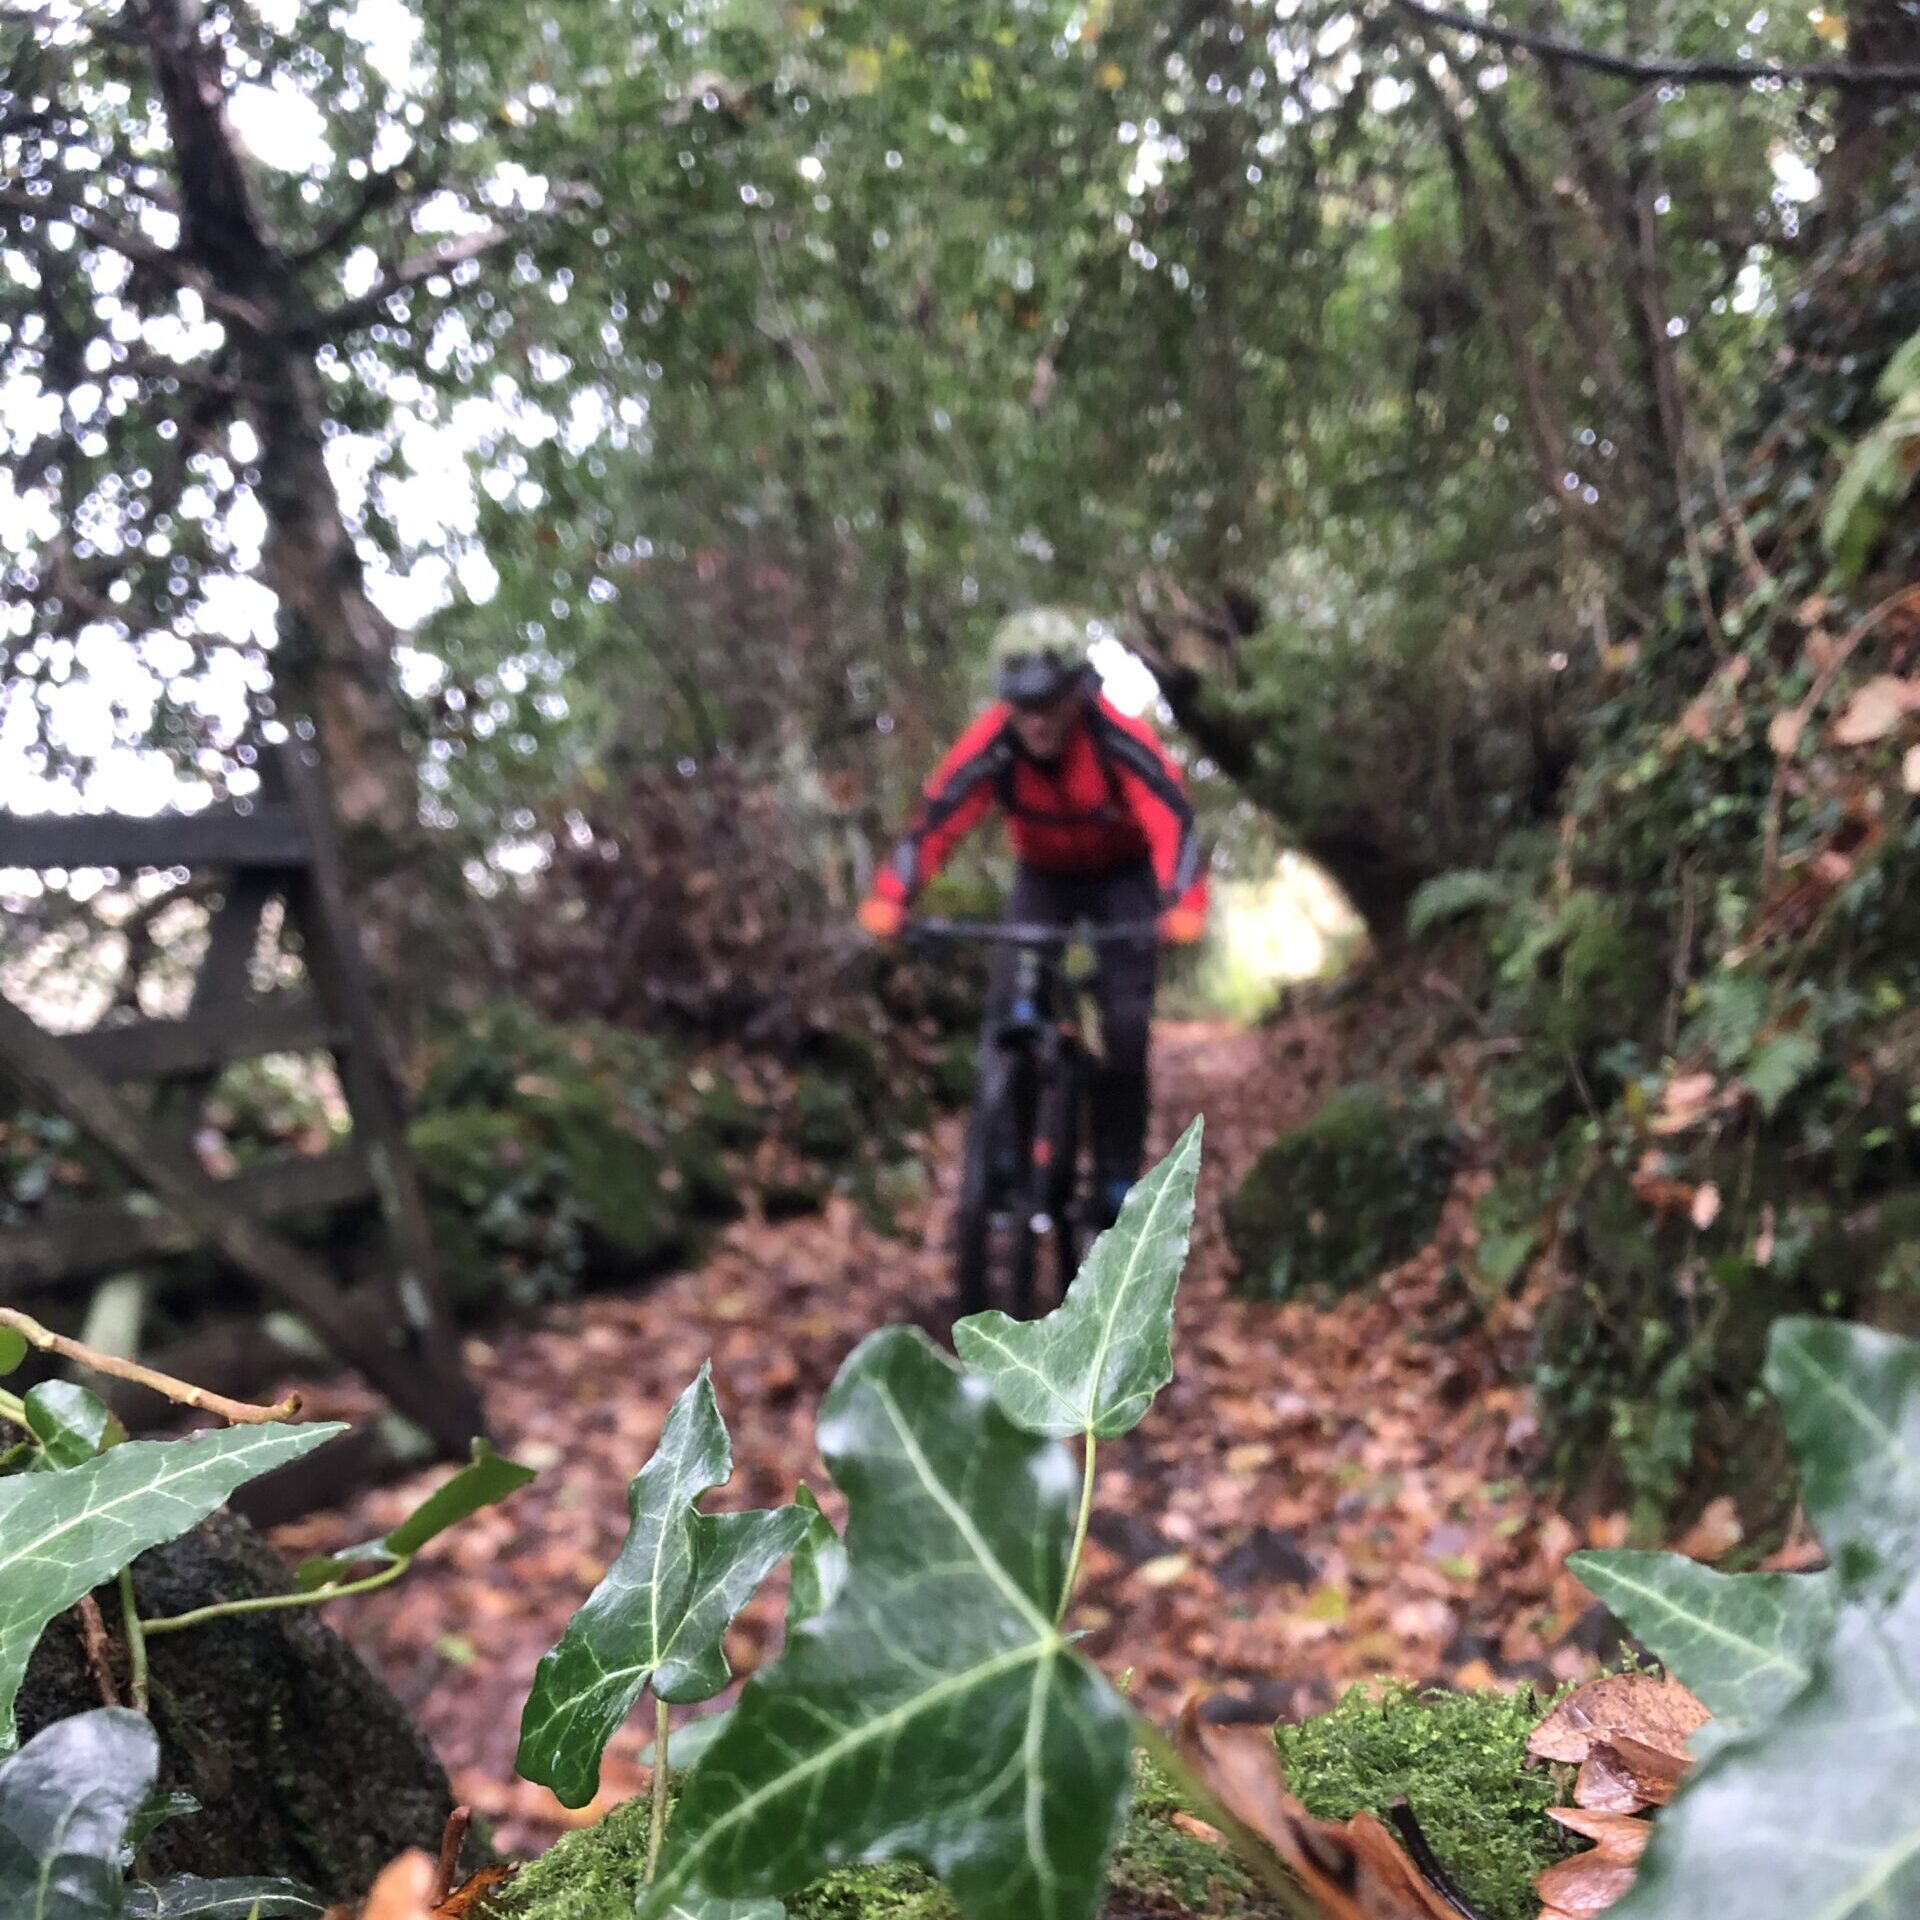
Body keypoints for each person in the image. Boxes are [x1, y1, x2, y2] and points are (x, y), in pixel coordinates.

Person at [857, 607, 1207, 1226]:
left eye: (1048, 703)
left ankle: (1116, 1174)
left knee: (1125, 1029)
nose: (1036, 720)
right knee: (1008, 1013)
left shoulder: (1116, 736)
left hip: (1122, 878)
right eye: (1022, 705)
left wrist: (1183, 904)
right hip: (1043, 875)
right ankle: (1005, 1156)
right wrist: (892, 896)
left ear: (1076, 692)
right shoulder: (994, 741)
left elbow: (1170, 817)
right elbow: (938, 816)